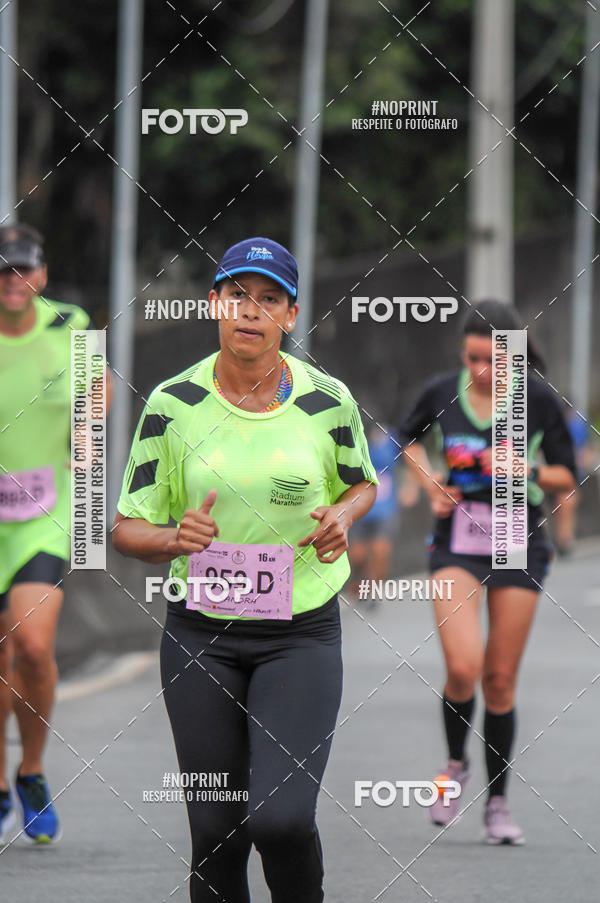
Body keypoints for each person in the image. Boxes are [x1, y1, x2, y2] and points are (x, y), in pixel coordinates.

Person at [112, 237, 377, 902]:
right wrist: (175, 537)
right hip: (201, 635)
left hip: (300, 634)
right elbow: (122, 525)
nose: (250, 311)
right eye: (237, 294)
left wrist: (343, 518)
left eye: (268, 299)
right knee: (216, 830)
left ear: (290, 315)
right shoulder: (174, 405)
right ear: (214, 304)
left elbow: (361, 484)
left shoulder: (327, 402)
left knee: (281, 819)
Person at [397, 299, 576, 844]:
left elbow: (569, 474)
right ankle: (455, 765)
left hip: (519, 539)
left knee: (499, 680)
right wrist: (432, 486)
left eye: (495, 361)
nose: (482, 371)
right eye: (473, 357)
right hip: (458, 541)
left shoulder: (538, 400)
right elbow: (405, 440)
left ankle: (497, 802)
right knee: (463, 668)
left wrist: (524, 467)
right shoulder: (439, 392)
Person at [0, 222, 113, 845]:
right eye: (1, 272)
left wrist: (88, 431)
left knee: (34, 646)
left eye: (23, 270)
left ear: (40, 274)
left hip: (46, 511)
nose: (13, 284)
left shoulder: (69, 324)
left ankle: (33, 769)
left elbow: (99, 388)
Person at [348, 424, 401, 604]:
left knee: (380, 551)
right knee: (357, 555)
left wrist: (411, 485)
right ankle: (358, 579)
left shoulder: (391, 438)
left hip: (385, 509)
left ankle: (373, 593)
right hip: (358, 507)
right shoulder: (350, 436)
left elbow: (408, 459)